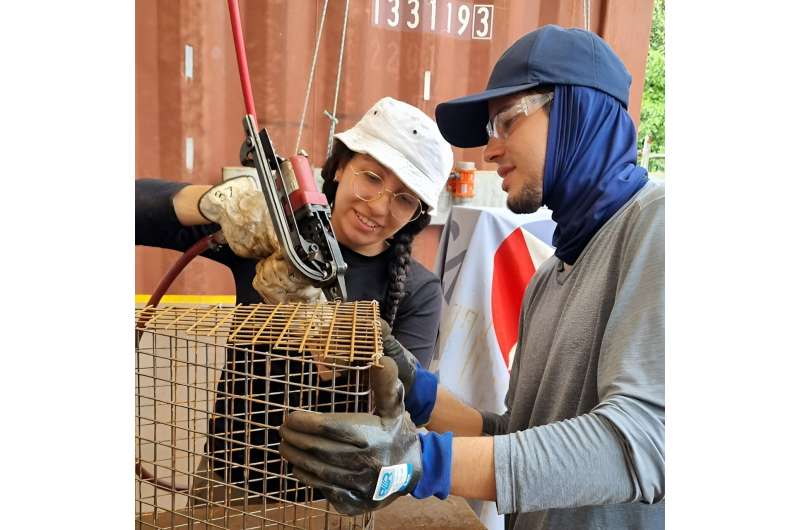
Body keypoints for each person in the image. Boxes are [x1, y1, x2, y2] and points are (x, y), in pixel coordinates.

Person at [278, 25, 665, 529]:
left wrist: (424, 463)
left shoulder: (658, 225)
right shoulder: (549, 278)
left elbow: (643, 442)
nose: (491, 151)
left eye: (506, 122)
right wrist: (416, 387)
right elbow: (517, 436)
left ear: (578, 110)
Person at [135, 96, 453, 500]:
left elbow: (399, 410)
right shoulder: (274, 236)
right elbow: (136, 209)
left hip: (337, 500)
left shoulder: (418, 289)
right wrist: (219, 201)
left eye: (404, 198)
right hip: (229, 478)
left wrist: (327, 332)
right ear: (339, 167)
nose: (378, 205)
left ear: (417, 215)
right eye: (371, 177)